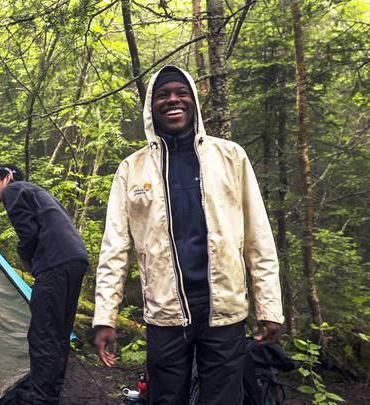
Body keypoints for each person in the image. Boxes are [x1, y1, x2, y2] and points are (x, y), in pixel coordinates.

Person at [92, 66, 284, 405]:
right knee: (166, 400)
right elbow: (115, 248)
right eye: (163, 95)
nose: (172, 100)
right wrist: (105, 316)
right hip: (165, 311)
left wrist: (269, 306)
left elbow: (258, 236)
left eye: (180, 92)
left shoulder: (230, 156)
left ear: (193, 99)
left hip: (223, 308)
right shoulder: (131, 169)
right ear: (151, 108)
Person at [0, 164, 88, 404]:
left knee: (42, 334)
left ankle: (40, 398)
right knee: (60, 333)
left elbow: (27, 233)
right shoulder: (37, 192)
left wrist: (25, 257)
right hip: (75, 259)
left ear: (7, 177)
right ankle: (50, 392)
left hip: (54, 264)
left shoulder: (14, 190)